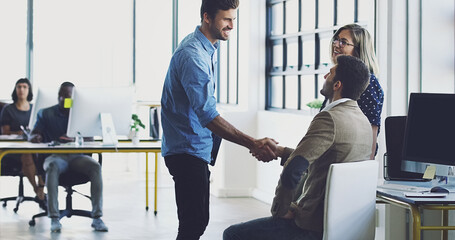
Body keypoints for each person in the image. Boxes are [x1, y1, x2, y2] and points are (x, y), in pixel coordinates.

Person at [223, 55, 374, 240]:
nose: (325, 75)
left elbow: (295, 168)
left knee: (232, 234)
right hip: (341, 225)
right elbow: (325, 160)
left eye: (330, 73)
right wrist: (279, 151)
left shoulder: (330, 118)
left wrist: (280, 210)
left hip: (310, 226)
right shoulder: (363, 122)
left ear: (337, 85)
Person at [160, 0, 276, 239]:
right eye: (226, 19)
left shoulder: (207, 48)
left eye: (234, 19)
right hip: (186, 150)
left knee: (196, 222)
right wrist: (253, 143)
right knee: (193, 224)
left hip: (194, 149)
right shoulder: (193, 56)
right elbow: (208, 116)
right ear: (207, 17)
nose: (232, 25)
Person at [30, 82, 108, 233]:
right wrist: (37, 136)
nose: (68, 99)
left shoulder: (80, 114)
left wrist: (81, 137)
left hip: (77, 157)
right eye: (65, 96)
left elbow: (91, 137)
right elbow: (34, 133)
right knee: (52, 167)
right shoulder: (45, 113)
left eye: (71, 96)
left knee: (95, 167)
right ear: (59, 96)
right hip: (55, 157)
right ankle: (54, 217)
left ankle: (97, 217)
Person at [321, 23, 384, 160]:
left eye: (343, 42)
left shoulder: (369, 83)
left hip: (348, 163)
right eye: (336, 39)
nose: (336, 45)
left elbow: (370, 134)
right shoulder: (337, 78)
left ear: (358, 50)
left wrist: (365, 171)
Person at [0, 78, 46, 204]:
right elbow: (5, 133)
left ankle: (40, 190)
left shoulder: (34, 109)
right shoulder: (8, 110)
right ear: (15, 90)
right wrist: (18, 133)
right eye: (19, 87)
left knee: (44, 154)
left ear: (29, 90)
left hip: (33, 146)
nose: (21, 90)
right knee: (27, 155)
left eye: (24, 87)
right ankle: (38, 191)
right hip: (13, 150)